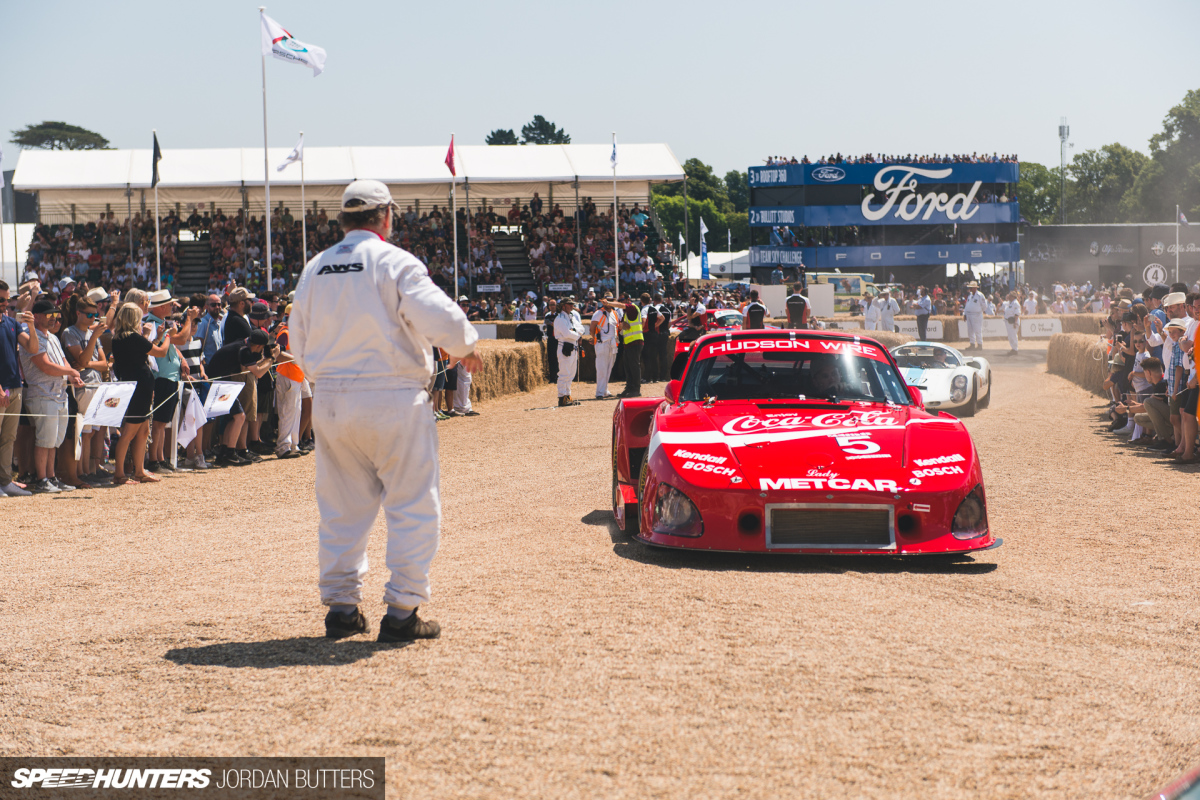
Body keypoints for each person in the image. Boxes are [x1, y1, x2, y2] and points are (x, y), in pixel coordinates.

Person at [291, 179, 481, 643]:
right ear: (387, 216)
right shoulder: (394, 261)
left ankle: (341, 608)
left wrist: (327, 378)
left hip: (332, 396)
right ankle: (401, 611)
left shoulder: (315, 268)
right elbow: (440, 316)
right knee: (412, 503)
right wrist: (465, 346)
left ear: (343, 219)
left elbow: (298, 340)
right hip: (393, 394)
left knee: (340, 507)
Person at [19, 300, 84, 493]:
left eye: (55, 315)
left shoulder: (53, 338)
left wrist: (72, 376)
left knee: (54, 441)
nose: (53, 318)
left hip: (59, 394)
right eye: (49, 315)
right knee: (44, 440)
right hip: (42, 394)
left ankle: (51, 477)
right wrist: (70, 372)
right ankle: (42, 479)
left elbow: (63, 362)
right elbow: (45, 366)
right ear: (37, 317)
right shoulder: (33, 338)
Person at [0, 282, 33, 496]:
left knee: (9, 438)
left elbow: (32, 346)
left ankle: (5, 481)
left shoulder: (11, 323)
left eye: (7, 299)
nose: (5, 303)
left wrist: (31, 324)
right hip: (2, 389)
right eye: (1, 300)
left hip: (14, 387)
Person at [553, 296, 585, 406]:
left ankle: (567, 396)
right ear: (563, 306)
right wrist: (577, 334)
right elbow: (566, 333)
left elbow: (582, 329)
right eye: (569, 304)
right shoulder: (560, 318)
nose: (572, 306)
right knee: (564, 373)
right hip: (564, 346)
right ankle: (562, 397)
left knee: (571, 373)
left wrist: (574, 331)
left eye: (572, 304)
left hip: (573, 346)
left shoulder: (571, 317)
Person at [590, 292, 620, 399]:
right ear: (603, 301)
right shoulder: (598, 313)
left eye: (611, 300)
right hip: (602, 343)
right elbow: (592, 328)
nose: (609, 302)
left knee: (609, 368)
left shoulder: (615, 313)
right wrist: (594, 338)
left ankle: (605, 390)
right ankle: (599, 392)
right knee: (602, 368)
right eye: (607, 300)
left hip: (613, 344)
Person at [618, 294, 644, 397]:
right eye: (620, 300)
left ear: (628, 299)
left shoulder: (632, 308)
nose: (621, 302)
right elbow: (626, 327)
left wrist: (609, 303)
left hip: (635, 341)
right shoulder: (627, 313)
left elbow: (626, 326)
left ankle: (636, 389)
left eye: (622, 299)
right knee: (628, 367)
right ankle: (629, 388)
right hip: (629, 342)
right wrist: (623, 325)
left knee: (634, 366)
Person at [962, 282, 987, 350]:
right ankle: (972, 344)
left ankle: (979, 345)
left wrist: (979, 311)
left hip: (976, 315)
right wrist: (965, 314)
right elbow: (967, 305)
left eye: (971, 287)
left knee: (977, 330)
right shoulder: (970, 295)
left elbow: (984, 306)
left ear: (975, 288)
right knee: (970, 330)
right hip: (969, 314)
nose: (970, 289)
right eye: (969, 287)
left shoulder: (980, 295)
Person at [1001, 291, 1021, 355]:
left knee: (1013, 335)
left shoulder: (1015, 303)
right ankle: (1013, 348)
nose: (1008, 296)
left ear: (1012, 296)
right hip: (1008, 321)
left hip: (1013, 322)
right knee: (1010, 336)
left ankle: (1015, 349)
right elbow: (1003, 304)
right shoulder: (1009, 303)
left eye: (1009, 296)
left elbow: (1017, 314)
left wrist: (1015, 322)